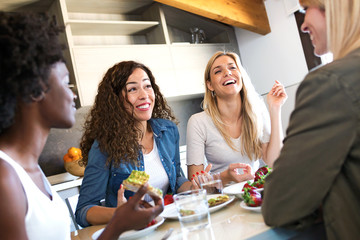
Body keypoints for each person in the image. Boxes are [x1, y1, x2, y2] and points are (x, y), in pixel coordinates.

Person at [0, 12, 162, 240]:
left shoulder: (31, 171)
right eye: (66, 83)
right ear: (35, 89)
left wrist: (119, 222)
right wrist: (118, 219)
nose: (72, 94)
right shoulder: (4, 178)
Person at [262, 0, 360, 239]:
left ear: (335, 7)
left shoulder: (329, 82)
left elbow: (280, 203)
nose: (303, 25)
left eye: (306, 10)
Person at [75, 60, 195, 227]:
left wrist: (195, 187)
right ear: (115, 100)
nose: (144, 95)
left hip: (169, 225)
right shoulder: (105, 145)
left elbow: (175, 180)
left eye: (147, 86)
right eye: (132, 89)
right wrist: (120, 214)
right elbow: (83, 211)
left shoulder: (168, 131)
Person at [186, 51, 287, 185]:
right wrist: (223, 177)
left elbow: (273, 161)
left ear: (241, 75)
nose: (227, 73)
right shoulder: (198, 122)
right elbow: (194, 183)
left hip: (251, 193)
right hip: (221, 198)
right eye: (218, 71)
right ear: (210, 85)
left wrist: (275, 108)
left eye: (232, 67)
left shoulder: (258, 111)